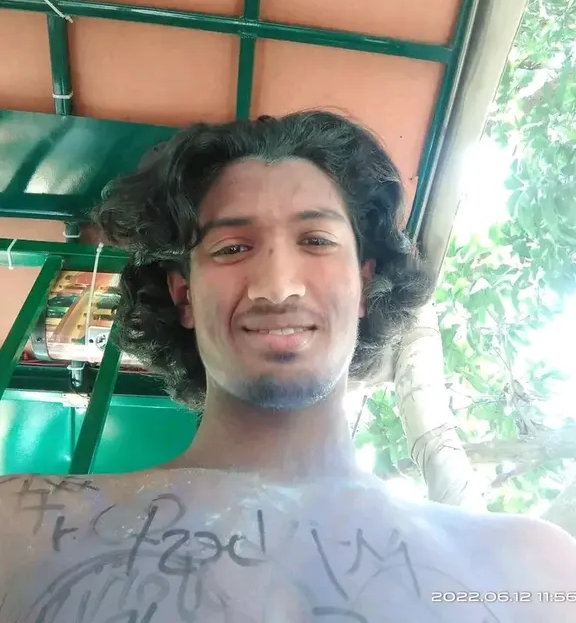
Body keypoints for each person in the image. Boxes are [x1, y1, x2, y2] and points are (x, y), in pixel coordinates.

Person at [1, 110, 575, 623]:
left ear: (365, 284)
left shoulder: (535, 572)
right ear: (183, 297)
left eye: (317, 240)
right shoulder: (15, 531)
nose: (278, 286)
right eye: (231, 248)